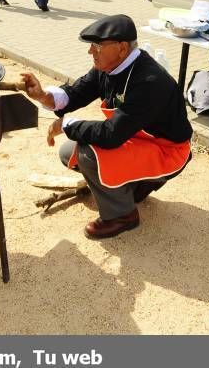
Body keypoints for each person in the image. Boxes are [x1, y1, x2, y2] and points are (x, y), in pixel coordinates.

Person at [21, 14, 193, 239]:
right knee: (68, 151)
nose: (90, 51)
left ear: (122, 48)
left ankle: (122, 215)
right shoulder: (108, 68)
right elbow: (75, 93)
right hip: (135, 137)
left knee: (87, 153)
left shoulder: (149, 82)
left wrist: (67, 124)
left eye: (97, 46)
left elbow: (111, 135)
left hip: (167, 150)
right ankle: (132, 189)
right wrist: (43, 96)